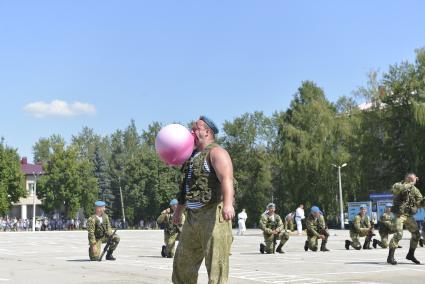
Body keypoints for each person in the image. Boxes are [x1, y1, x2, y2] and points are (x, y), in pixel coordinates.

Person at [172, 116, 235, 284]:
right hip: (192, 217)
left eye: (197, 128)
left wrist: (228, 204)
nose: (192, 130)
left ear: (207, 132)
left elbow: (227, 178)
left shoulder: (217, 153)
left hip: (213, 214)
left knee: (216, 266)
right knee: (182, 265)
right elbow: (186, 187)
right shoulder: (191, 156)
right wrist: (179, 210)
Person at [387, 173, 423, 265]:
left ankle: (410, 255)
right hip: (399, 214)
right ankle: (390, 257)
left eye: (413, 179)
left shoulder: (415, 190)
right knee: (399, 234)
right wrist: (410, 183)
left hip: (408, 216)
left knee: (416, 235)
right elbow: (395, 190)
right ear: (406, 178)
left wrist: (423, 201)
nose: (412, 181)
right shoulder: (398, 185)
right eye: (410, 179)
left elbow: (419, 202)